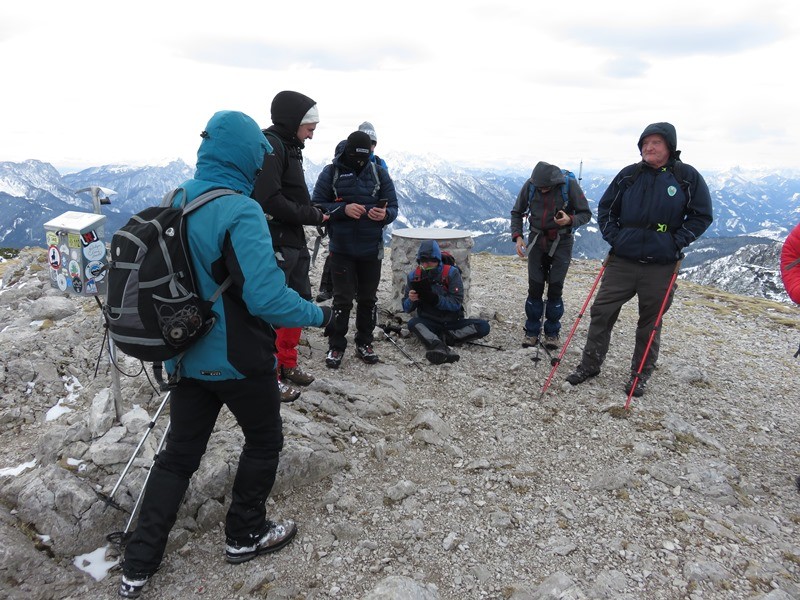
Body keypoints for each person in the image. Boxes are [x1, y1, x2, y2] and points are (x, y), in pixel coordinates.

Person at [118, 110, 332, 598]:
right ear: (247, 157)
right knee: (263, 440)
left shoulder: (177, 198)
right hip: (237, 359)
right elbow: (268, 299)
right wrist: (321, 317)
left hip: (183, 354)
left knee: (177, 458)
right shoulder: (241, 210)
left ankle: (139, 562)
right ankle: (244, 535)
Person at [565, 122, 713, 397]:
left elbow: (702, 215)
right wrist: (615, 237)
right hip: (623, 260)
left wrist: (675, 240)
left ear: (670, 146)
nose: (649, 147)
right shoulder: (629, 175)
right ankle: (590, 364)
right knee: (601, 312)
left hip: (661, 265)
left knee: (650, 322)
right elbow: (607, 207)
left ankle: (639, 375)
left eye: (655, 142)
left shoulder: (686, 177)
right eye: (645, 142)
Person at [252, 90, 328, 402]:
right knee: (274, 307)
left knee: (296, 302)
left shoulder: (289, 147)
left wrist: (313, 211)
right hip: (276, 240)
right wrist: (311, 214)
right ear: (294, 121)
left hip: (292, 240)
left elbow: (290, 195)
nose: (312, 134)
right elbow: (269, 199)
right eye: (309, 127)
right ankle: (268, 377)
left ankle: (287, 364)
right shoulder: (272, 146)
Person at [311, 130, 398, 369]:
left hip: (371, 249)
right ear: (347, 152)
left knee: (368, 299)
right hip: (342, 249)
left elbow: (393, 207)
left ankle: (365, 343)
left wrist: (384, 215)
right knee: (342, 299)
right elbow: (316, 206)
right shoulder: (331, 173)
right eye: (355, 157)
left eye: (365, 156)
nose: (360, 162)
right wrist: (343, 210)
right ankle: (336, 346)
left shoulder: (379, 173)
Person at [510, 161, 591, 350]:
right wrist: (518, 237)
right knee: (535, 287)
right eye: (539, 187)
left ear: (554, 182)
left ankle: (552, 333)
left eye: (545, 187)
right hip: (537, 242)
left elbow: (585, 214)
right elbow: (517, 212)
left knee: (555, 289)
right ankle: (531, 331)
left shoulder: (569, 185)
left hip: (562, 242)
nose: (542, 190)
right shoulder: (530, 185)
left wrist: (570, 220)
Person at [315, 121, 387, 302]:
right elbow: (318, 202)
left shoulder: (379, 165)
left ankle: (352, 289)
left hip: (369, 229)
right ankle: (328, 287)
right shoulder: (342, 157)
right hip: (342, 228)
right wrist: (342, 209)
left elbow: (388, 195)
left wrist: (384, 213)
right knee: (338, 251)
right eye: (368, 141)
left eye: (373, 143)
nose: (370, 146)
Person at [402, 240, 491, 364]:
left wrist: (435, 299)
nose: (427, 265)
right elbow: (406, 308)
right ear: (419, 261)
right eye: (424, 261)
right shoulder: (413, 276)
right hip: (429, 322)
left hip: (452, 322)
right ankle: (439, 344)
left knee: (483, 326)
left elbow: (456, 303)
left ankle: (444, 338)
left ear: (438, 260)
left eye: (431, 261)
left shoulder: (451, 273)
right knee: (413, 323)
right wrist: (411, 300)